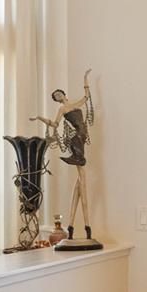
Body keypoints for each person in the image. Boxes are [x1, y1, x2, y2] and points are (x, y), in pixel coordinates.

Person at [31, 69, 95, 241]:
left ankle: (73, 225)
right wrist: (40, 118)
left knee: (80, 181)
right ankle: (85, 227)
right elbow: (54, 123)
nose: (58, 96)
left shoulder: (75, 104)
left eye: (59, 94)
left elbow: (87, 97)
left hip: (82, 133)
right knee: (81, 175)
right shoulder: (62, 109)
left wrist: (85, 79)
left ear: (64, 94)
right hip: (77, 136)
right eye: (56, 96)